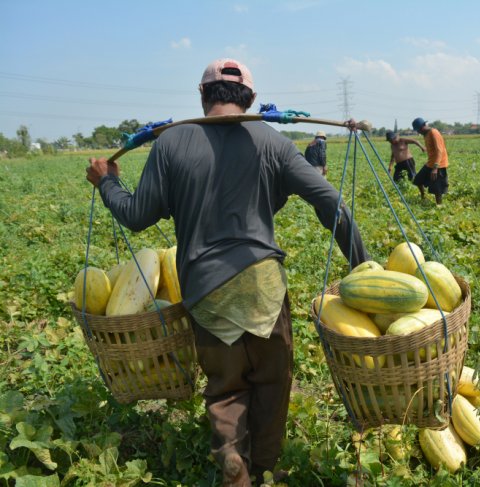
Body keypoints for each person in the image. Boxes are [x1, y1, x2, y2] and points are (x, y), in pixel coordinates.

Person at [85, 58, 369, 487]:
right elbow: (332, 204)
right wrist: (361, 266)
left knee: (225, 387)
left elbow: (136, 215)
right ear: (251, 100)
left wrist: (107, 183)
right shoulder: (271, 142)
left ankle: (233, 458)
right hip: (264, 289)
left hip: (205, 289)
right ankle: (266, 467)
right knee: (272, 383)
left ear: (202, 97)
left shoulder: (172, 143)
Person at [411, 117, 449, 205]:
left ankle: (439, 206)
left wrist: (435, 168)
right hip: (430, 163)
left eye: (418, 130)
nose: (418, 132)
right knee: (418, 180)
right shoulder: (426, 134)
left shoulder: (433, 132)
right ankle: (423, 197)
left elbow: (439, 151)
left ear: (422, 127)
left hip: (439, 164)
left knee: (437, 189)